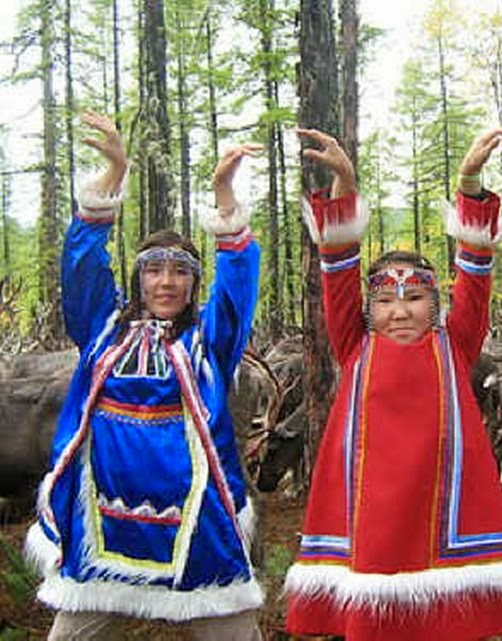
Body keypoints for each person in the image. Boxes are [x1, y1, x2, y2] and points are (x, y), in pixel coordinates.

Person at [283, 127, 502, 640]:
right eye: (385, 300)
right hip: (371, 516)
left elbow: (475, 271)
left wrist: (469, 181)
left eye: (415, 298)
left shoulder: (455, 343)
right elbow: (336, 265)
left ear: (435, 305)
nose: (400, 311)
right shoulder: (355, 344)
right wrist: (345, 184)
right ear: (367, 308)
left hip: (441, 511)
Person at [25, 111, 265, 640]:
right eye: (154, 269)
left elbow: (239, 282)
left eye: (180, 271)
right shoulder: (103, 327)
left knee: (231, 628)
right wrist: (111, 176)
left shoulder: (208, 341)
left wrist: (224, 197)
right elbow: (82, 266)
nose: (166, 281)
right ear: (138, 276)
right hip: (101, 512)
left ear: (193, 282)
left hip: (197, 515)